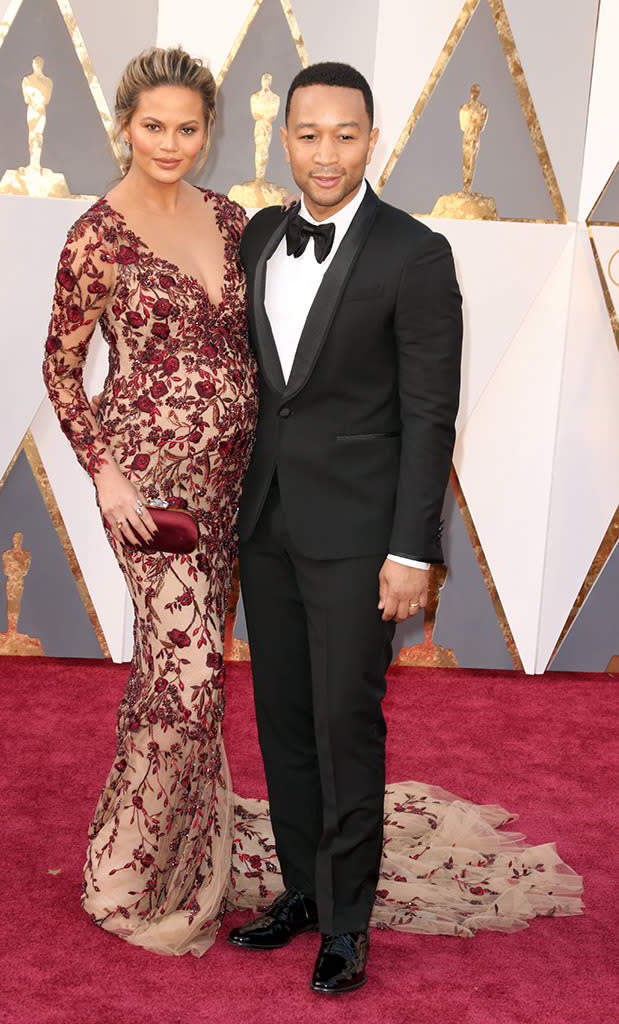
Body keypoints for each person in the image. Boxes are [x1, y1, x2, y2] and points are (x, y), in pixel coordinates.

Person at [227, 61, 464, 992]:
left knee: (342, 722)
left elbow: (428, 414)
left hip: (363, 535)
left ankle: (349, 924)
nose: (324, 154)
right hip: (267, 520)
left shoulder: (415, 253)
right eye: (307, 134)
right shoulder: (255, 238)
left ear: (372, 139)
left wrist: (413, 549)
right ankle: (303, 891)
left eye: (344, 135)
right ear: (283, 138)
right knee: (281, 718)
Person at [42, 47, 258, 957]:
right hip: (149, 489)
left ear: (206, 132)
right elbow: (60, 366)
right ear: (124, 127)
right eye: (152, 126)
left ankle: (169, 854)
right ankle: (126, 881)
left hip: (232, 482)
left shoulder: (232, 218)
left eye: (186, 127)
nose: (169, 142)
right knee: (195, 677)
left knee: (175, 684)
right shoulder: (99, 233)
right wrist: (107, 474)